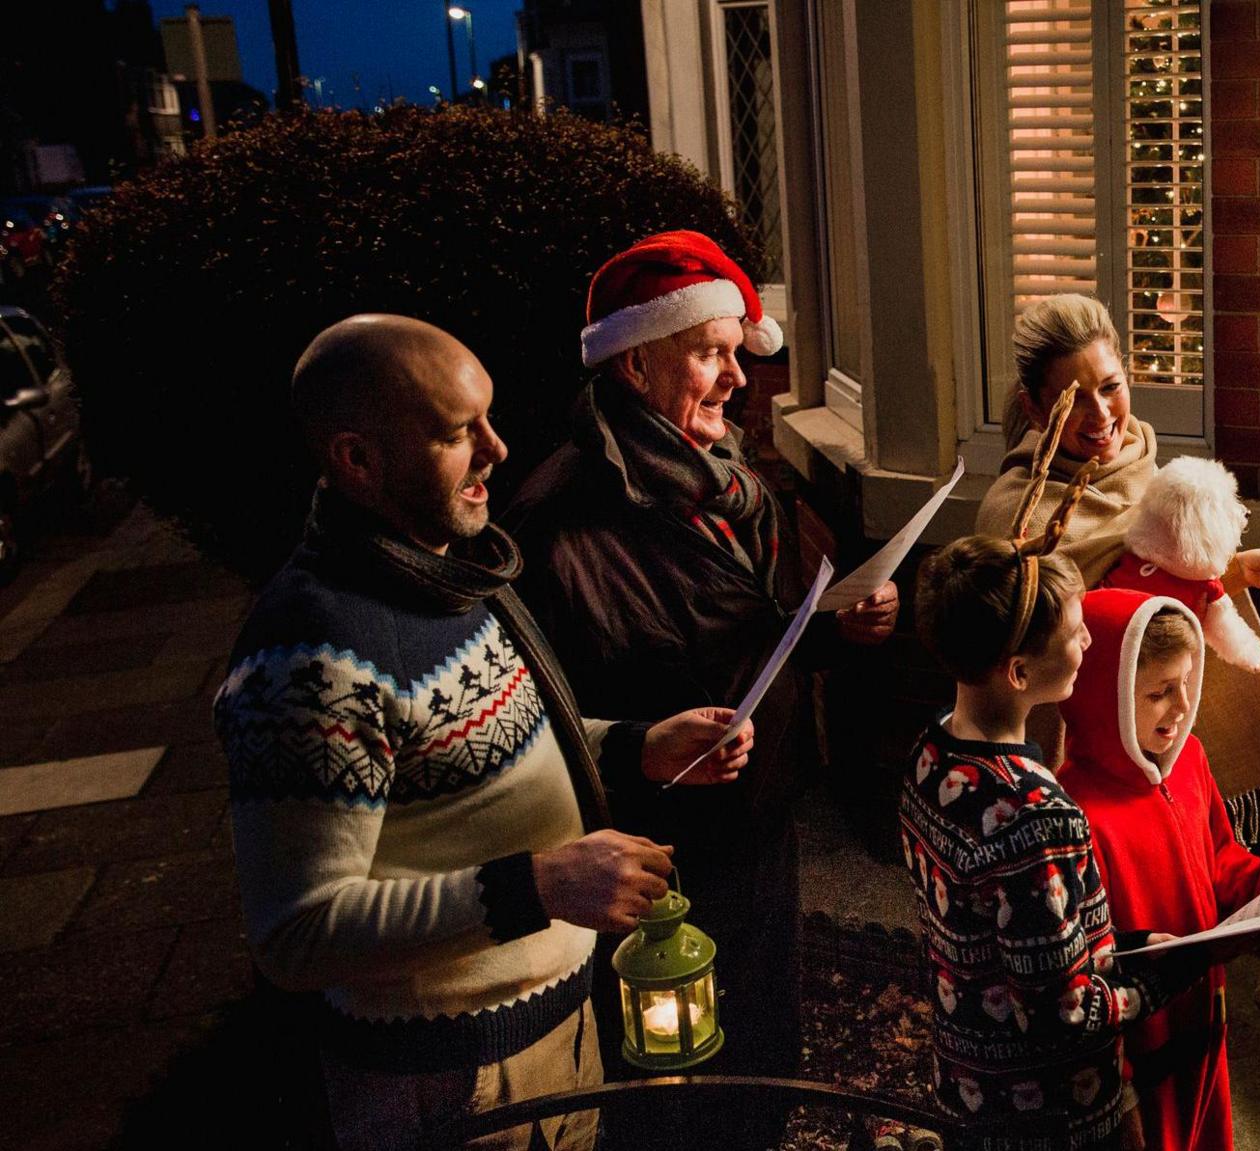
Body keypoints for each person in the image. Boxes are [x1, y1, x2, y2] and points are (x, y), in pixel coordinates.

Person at [214, 314, 753, 1151]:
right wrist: (536, 885)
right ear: (357, 459)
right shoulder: (313, 657)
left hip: (551, 1026)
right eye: (458, 432)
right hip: (446, 1079)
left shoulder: (443, 571)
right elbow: (297, 931)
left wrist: (637, 744)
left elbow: (475, 749)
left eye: (488, 419)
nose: (498, 449)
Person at [504, 231, 898, 1113]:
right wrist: (642, 746)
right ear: (638, 365)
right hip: (661, 854)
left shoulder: (729, 484)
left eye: (735, 354)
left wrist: (840, 630)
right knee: (681, 1084)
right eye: (711, 355)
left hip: (759, 811)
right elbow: (533, 723)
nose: (737, 379)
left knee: (763, 1045)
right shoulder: (558, 522)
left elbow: (758, 630)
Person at [973, 294, 1260, 845]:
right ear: (1037, 409)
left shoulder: (1142, 465)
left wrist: (1238, 570)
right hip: (1082, 750)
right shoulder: (1016, 513)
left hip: (1161, 722)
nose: (1102, 416)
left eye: (1111, 387)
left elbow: (1152, 579)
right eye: (1075, 400)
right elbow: (1097, 610)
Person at [902, 531, 1204, 1151]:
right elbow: (1061, 1018)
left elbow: (1013, 936)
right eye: (1074, 633)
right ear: (1018, 672)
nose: (1090, 641)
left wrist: (1131, 944)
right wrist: (1162, 978)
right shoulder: (1035, 816)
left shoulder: (929, 756)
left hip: (967, 1084)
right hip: (1054, 1116)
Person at [1057, 591, 1260, 1151]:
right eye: (1158, 692)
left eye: (1188, 683)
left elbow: (1220, 861)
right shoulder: (1077, 813)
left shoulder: (1190, 760)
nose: (1181, 704)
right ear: (1106, 696)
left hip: (1204, 1017)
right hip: (1141, 1041)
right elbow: (1081, 959)